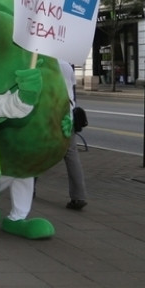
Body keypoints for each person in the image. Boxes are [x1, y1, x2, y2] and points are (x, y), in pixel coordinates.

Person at [62, 61, 89, 210]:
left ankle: (29, 188)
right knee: (72, 156)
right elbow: (72, 90)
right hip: (67, 116)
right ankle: (79, 196)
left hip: (47, 117)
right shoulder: (66, 65)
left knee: (39, 153)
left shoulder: (42, 62)